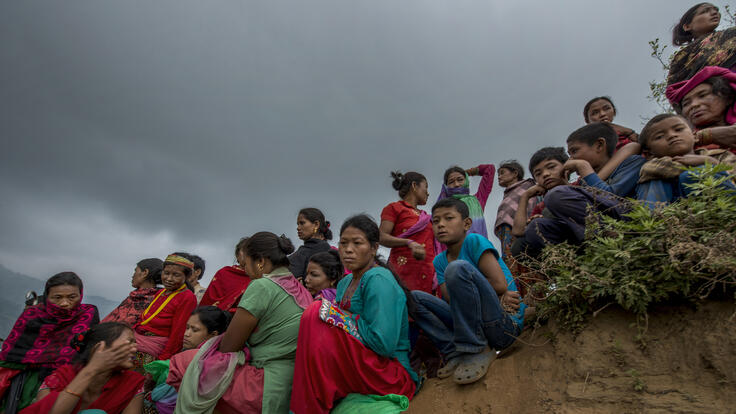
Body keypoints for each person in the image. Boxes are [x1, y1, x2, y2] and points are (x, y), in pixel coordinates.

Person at [289, 215, 418, 414]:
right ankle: (312, 403)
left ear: (374, 248)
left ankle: (311, 406)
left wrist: (344, 317)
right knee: (316, 314)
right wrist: (339, 317)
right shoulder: (343, 283)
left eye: (357, 243)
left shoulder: (378, 279)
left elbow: (383, 344)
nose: (348, 250)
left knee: (316, 312)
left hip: (388, 372)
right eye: (343, 243)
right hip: (363, 365)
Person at [174, 232, 311, 414]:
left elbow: (229, 346)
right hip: (292, 383)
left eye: (245, 264)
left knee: (181, 363)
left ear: (260, 261)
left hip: (265, 384)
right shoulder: (302, 291)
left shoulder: (262, 285)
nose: (245, 270)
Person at [412, 198, 525, 385]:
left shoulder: (474, 241)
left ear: (466, 223)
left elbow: (500, 285)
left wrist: (493, 295)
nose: (441, 225)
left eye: (449, 218)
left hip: (502, 325)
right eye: (436, 221)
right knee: (415, 298)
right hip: (474, 321)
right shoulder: (440, 260)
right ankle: (454, 351)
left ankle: (477, 350)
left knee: (457, 269)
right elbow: (451, 298)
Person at [0, 272, 99, 413]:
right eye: (57, 298)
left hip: (69, 381)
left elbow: (87, 352)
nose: (64, 303)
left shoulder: (88, 314)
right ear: (47, 297)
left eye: (72, 297)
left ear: (80, 295)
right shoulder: (32, 315)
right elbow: (11, 353)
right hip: (25, 380)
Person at [20, 322, 144, 414]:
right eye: (129, 341)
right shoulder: (61, 376)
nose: (135, 348)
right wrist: (92, 369)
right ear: (100, 347)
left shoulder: (134, 382)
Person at [635, 114, 736, 204]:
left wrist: (710, 162)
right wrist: (687, 164)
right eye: (659, 136)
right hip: (679, 212)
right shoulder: (654, 165)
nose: (672, 135)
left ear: (695, 136)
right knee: (654, 181)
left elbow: (733, 178)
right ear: (649, 154)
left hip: (724, 205)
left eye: (678, 129)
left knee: (692, 175)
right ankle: (656, 219)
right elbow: (650, 170)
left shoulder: (719, 155)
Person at [132, 254, 197, 367]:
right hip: (138, 341)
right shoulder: (161, 292)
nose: (169, 279)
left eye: (176, 275)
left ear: (186, 277)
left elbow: (178, 333)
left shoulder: (187, 297)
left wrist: (162, 361)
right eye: (166, 273)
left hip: (152, 350)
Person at [380, 171, 436, 293]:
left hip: (428, 272)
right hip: (403, 271)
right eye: (425, 187)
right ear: (414, 186)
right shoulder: (395, 208)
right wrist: (408, 242)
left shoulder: (426, 217)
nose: (428, 192)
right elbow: (381, 237)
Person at [666, 66, 736, 153]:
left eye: (702, 95)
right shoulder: (677, 147)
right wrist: (707, 136)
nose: (694, 105)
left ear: (727, 98)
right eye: (686, 103)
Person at [668, 3, 736, 85]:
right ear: (687, 26)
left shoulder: (732, 35)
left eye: (716, 10)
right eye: (705, 11)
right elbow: (676, 89)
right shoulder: (682, 58)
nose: (714, 13)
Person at [493, 160, 540, 259]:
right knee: (508, 260)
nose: (499, 176)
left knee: (518, 258)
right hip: (505, 231)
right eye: (498, 174)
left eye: (502, 173)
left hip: (518, 230)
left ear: (515, 173)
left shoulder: (527, 187)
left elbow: (530, 207)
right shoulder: (509, 192)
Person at [437, 164, 496, 239]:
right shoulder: (444, 207)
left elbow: (490, 168)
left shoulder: (478, 199)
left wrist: (468, 172)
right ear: (446, 186)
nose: (456, 184)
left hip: (478, 248)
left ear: (467, 180)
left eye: (460, 179)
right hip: (455, 249)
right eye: (451, 182)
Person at [102, 258, 163, 327]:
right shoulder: (135, 296)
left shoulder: (155, 300)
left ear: (145, 273)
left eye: (135, 271)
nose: (132, 276)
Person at [200, 238, 253, 314]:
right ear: (237, 255)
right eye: (245, 251)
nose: (248, 255)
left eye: (252, 252)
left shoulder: (260, 277)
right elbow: (209, 301)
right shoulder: (224, 273)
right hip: (214, 319)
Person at [289, 208, 333, 281]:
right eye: (298, 224)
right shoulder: (305, 249)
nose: (298, 228)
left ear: (316, 224)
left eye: (302, 223)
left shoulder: (321, 248)